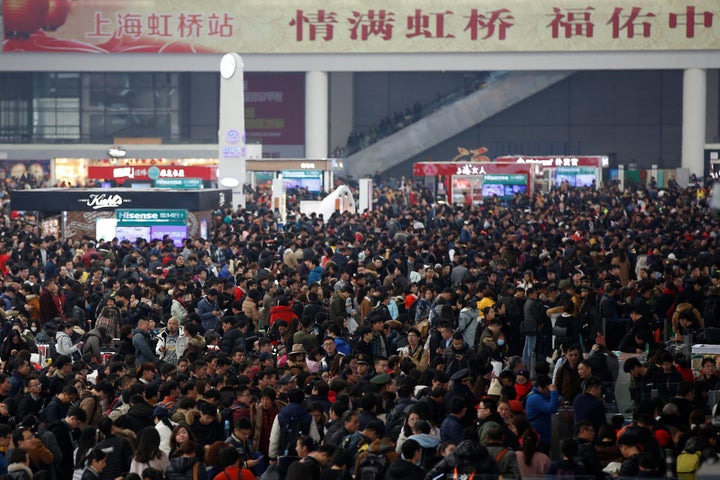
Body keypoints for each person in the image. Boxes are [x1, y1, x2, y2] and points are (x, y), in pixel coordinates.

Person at [524, 375, 558, 454]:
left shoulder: (542, 395)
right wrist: (554, 392)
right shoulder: (535, 398)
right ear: (539, 387)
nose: (549, 391)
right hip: (539, 437)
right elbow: (551, 408)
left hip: (544, 435)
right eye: (547, 389)